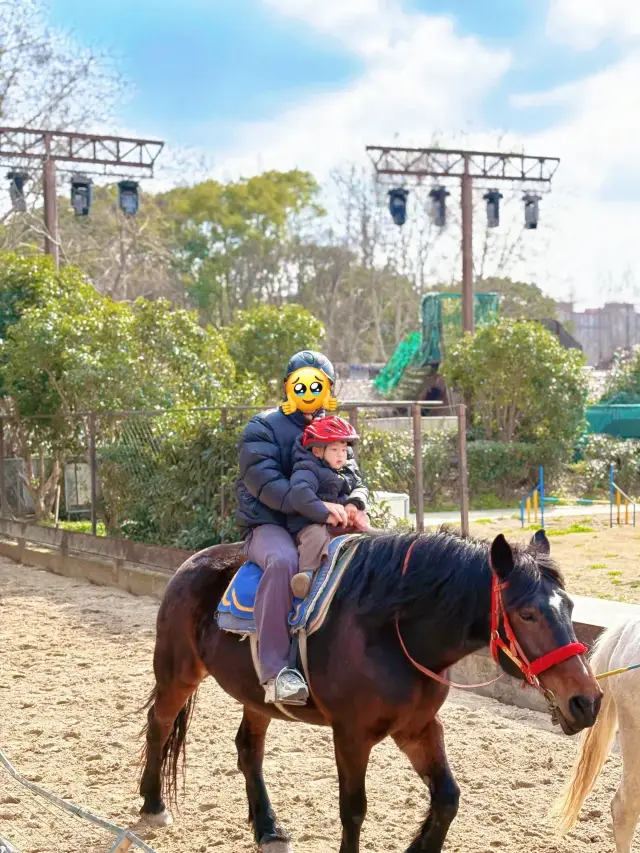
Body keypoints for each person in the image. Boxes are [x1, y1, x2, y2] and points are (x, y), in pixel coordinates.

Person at [236, 351, 368, 706]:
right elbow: (264, 483)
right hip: (271, 524)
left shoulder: (332, 429)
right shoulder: (261, 428)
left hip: (322, 520)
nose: (310, 392)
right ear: (288, 387)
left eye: (318, 385)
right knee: (281, 562)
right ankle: (276, 672)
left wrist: (355, 504)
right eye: (302, 385)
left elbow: (353, 476)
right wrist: (318, 508)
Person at [287, 416, 369, 600]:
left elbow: (361, 487)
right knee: (316, 536)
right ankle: (306, 575)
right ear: (317, 451)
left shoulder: (348, 468)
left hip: (342, 519)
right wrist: (325, 515)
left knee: (366, 529)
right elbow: (301, 495)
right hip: (310, 521)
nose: (341, 454)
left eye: (343, 449)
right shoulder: (307, 469)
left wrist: (354, 503)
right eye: (334, 449)